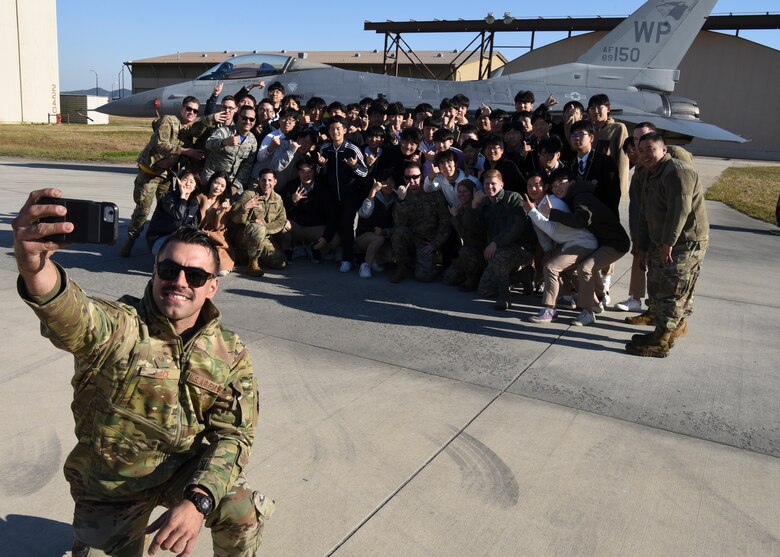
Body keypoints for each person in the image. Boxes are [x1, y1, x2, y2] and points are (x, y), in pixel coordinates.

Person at [13, 198, 273, 556]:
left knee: (239, 511)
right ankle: (91, 535)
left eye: (195, 276)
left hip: (181, 471)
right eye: (169, 270)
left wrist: (200, 501)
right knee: (105, 543)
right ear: (154, 273)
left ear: (212, 286)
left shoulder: (229, 351)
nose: (179, 281)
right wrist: (34, 266)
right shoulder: (121, 327)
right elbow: (70, 310)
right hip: (112, 480)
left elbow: (234, 434)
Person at [626, 132, 709, 357]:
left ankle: (661, 342)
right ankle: (662, 331)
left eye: (650, 149)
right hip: (663, 240)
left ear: (664, 150)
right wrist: (642, 247)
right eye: (641, 151)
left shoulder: (678, 172)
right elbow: (644, 213)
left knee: (673, 290)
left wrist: (667, 244)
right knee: (659, 286)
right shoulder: (650, 174)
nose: (645, 155)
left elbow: (680, 211)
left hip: (685, 242)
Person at [120, 96, 225, 258]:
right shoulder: (168, 121)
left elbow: (197, 129)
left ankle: (163, 243)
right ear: (182, 109)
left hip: (168, 177)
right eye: (188, 109)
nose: (191, 112)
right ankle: (130, 240)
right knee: (142, 210)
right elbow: (160, 144)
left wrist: (211, 118)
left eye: (195, 111)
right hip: (150, 174)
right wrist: (185, 151)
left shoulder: (187, 131)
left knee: (168, 211)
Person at [547, 171, 630, 326]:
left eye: (561, 183)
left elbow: (581, 220)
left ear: (572, 182)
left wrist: (552, 214)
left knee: (585, 268)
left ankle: (587, 312)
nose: (557, 188)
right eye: (553, 186)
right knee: (570, 267)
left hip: (615, 243)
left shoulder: (581, 197)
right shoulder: (575, 196)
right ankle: (597, 300)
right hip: (602, 242)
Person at [522, 173, 598, 324]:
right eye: (530, 185)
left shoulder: (554, 202)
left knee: (551, 267)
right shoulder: (535, 206)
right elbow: (542, 234)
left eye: (537, 185)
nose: (533, 189)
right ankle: (594, 303)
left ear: (545, 187)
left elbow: (552, 230)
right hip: (570, 244)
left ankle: (549, 310)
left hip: (583, 242)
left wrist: (532, 212)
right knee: (565, 268)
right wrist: (548, 251)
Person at [465, 169, 536, 310]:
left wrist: (495, 243)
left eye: (493, 183)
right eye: (486, 184)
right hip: (497, 250)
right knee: (484, 290)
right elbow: (476, 229)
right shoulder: (484, 203)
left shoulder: (513, 198)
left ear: (502, 184)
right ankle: (522, 276)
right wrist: (473, 206)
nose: (489, 187)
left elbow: (517, 227)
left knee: (500, 256)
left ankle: (504, 297)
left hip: (521, 247)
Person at [318, 116, 368, 273]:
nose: (335, 131)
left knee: (347, 225)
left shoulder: (352, 149)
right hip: (332, 194)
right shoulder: (325, 148)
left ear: (345, 130)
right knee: (333, 222)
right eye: (332, 129)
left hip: (350, 194)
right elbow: (319, 173)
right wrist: (320, 165)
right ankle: (331, 252)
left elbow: (365, 171)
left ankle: (347, 259)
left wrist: (354, 167)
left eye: (338, 128)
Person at [390, 162, 451, 283]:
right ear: (403, 178)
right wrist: (401, 201)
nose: (412, 181)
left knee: (424, 277)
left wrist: (435, 243)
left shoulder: (433, 192)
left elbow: (445, 221)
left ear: (421, 176)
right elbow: (398, 223)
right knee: (399, 233)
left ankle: (418, 262)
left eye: (415, 177)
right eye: (408, 178)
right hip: (410, 237)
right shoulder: (402, 194)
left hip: (427, 241)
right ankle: (400, 267)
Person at [230, 169, 289, 277]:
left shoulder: (277, 199)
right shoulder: (249, 195)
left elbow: (281, 221)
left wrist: (265, 226)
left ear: (275, 182)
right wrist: (245, 207)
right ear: (259, 181)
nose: (266, 183)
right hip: (244, 235)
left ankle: (246, 254)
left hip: (264, 236)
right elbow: (234, 219)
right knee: (258, 228)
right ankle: (252, 264)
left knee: (280, 263)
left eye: (269, 180)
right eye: (263, 180)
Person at [201, 105, 258, 197]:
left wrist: (236, 185)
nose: (248, 122)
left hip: (231, 182)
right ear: (238, 118)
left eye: (251, 119)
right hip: (212, 179)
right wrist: (224, 142)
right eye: (244, 118)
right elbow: (208, 144)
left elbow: (247, 166)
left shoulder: (252, 141)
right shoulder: (224, 131)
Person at [442, 180, 487, 292]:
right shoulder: (462, 208)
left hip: (481, 252)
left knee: (466, 251)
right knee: (449, 278)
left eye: (465, 191)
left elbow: (468, 237)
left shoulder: (479, 208)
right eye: (459, 191)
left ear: (473, 192)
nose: (461, 194)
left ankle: (472, 279)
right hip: (470, 254)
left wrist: (456, 217)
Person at [145, 169, 202, 256]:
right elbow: (178, 215)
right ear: (179, 181)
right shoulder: (168, 198)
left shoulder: (194, 203)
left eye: (191, 182)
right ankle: (159, 264)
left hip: (180, 239)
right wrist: (183, 197)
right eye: (185, 179)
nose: (187, 184)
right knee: (179, 251)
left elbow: (192, 225)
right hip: (159, 238)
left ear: (195, 187)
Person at [355, 172, 396, 279]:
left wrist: (385, 231)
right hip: (364, 236)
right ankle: (366, 265)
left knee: (391, 255)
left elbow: (397, 225)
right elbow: (364, 213)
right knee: (378, 239)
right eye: (384, 182)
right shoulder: (373, 196)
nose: (388, 185)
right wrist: (373, 191)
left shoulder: (396, 200)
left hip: (383, 236)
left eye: (391, 182)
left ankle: (375, 259)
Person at [197, 171, 235, 275]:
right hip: (198, 235)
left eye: (222, 186)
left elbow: (219, 226)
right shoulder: (199, 197)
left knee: (222, 271)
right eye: (216, 183)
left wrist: (221, 211)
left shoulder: (225, 204)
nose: (218, 187)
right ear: (211, 182)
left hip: (216, 238)